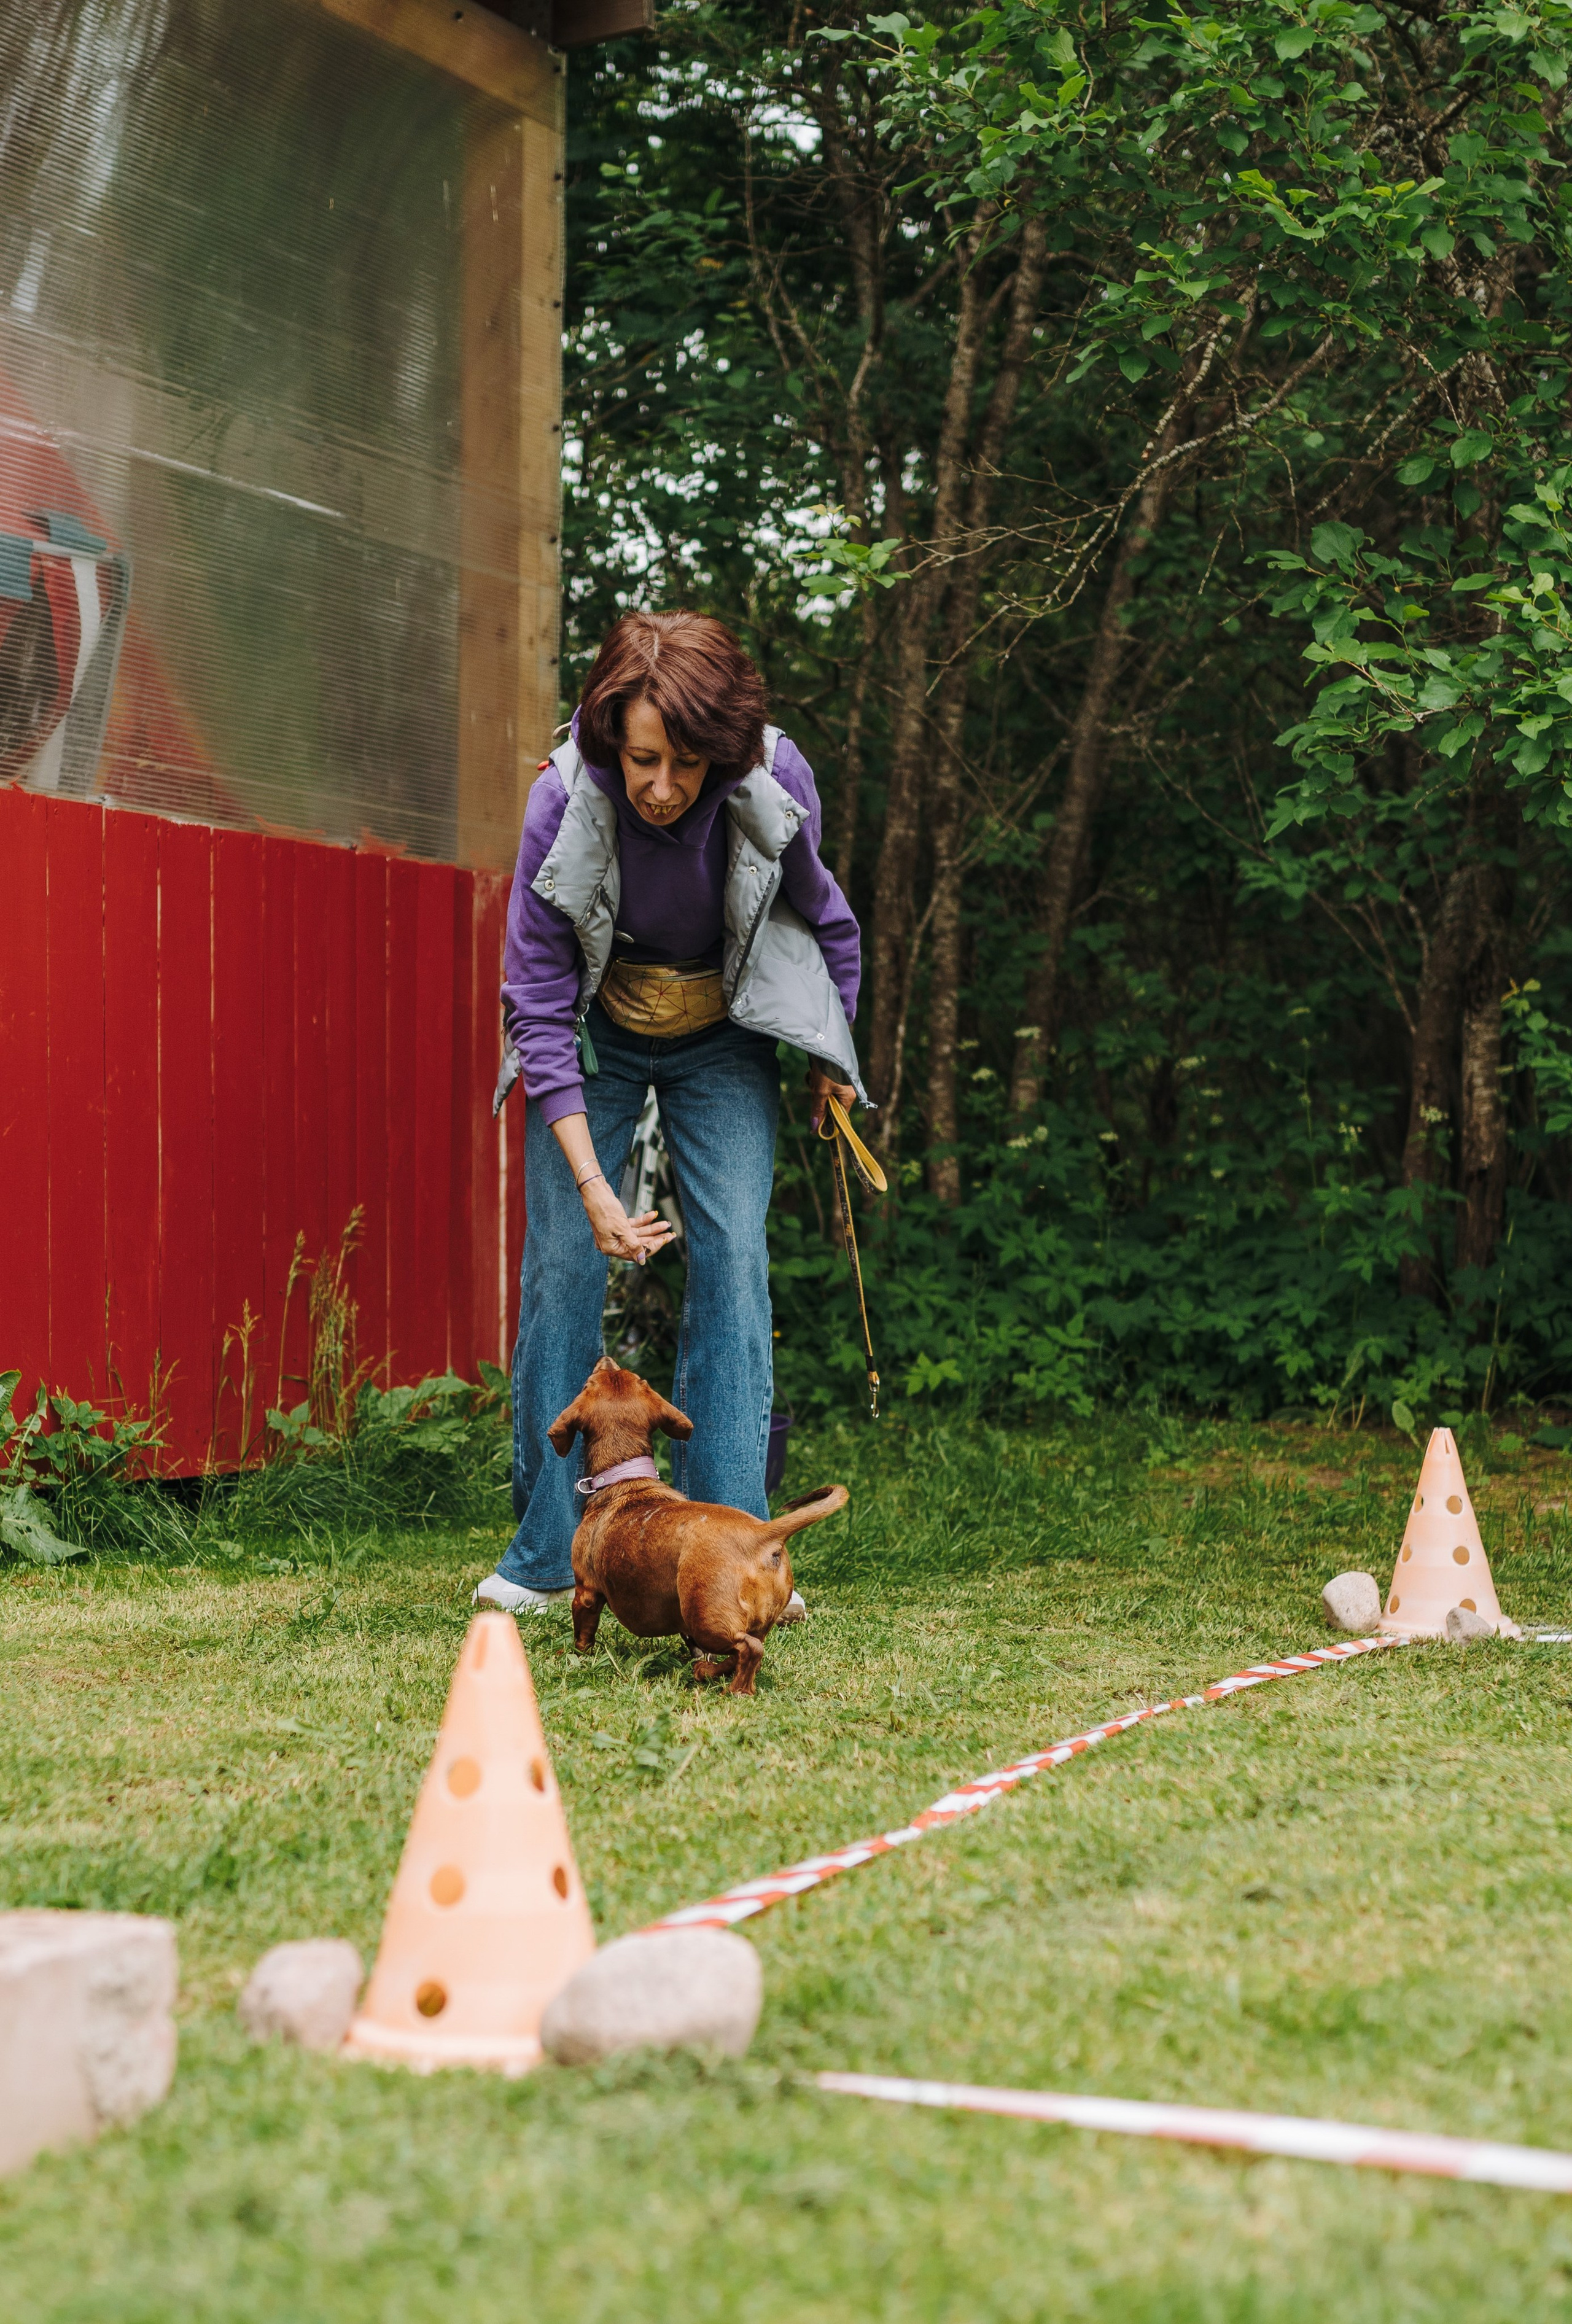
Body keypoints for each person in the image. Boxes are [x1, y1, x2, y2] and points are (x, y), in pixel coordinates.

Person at [473, 610, 866, 1614]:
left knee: (733, 1255)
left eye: (687, 764)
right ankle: (548, 1553)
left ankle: (743, 1548)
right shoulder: (562, 798)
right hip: (596, 1034)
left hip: (724, 1029)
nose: (661, 786)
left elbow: (827, 922)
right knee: (565, 1260)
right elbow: (537, 1005)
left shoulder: (775, 780)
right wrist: (597, 1191)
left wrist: (832, 1059)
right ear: (613, 739)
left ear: (725, 752)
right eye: (643, 759)